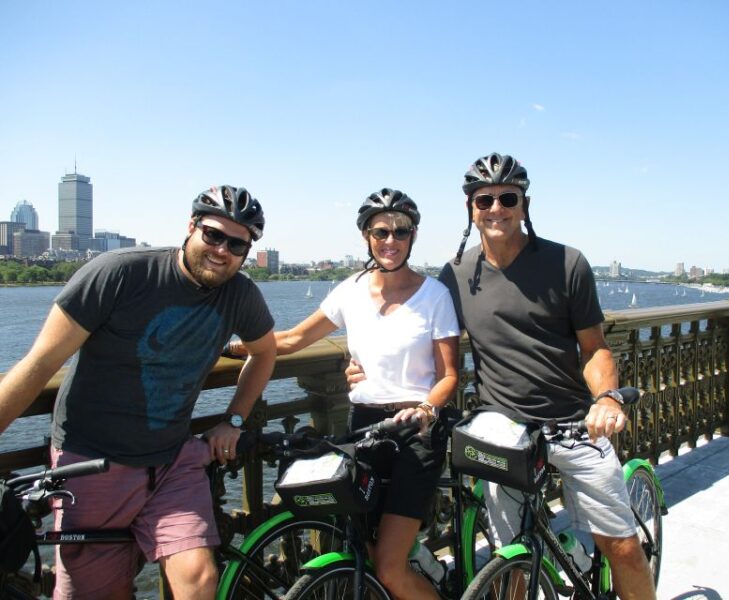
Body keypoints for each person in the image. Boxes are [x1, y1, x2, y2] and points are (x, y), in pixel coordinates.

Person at [350, 154, 657, 600]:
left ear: (524, 204)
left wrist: (607, 398)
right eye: (484, 199)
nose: (496, 208)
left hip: (574, 424)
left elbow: (595, 349)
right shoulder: (455, 276)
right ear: (470, 210)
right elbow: (417, 334)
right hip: (502, 431)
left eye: (507, 197)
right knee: (508, 557)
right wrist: (360, 362)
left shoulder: (567, 263)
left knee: (624, 548)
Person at [0, 185, 277, 600]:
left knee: (199, 579)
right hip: (90, 465)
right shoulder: (119, 273)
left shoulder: (240, 294)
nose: (222, 250)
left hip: (172, 461)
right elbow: (40, 364)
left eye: (237, 244)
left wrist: (233, 419)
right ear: (191, 227)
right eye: (213, 235)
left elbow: (265, 352)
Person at [228, 188, 459, 600]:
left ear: (414, 236)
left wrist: (426, 407)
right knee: (364, 547)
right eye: (380, 231)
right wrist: (232, 347)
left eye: (400, 231)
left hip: (415, 432)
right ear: (366, 236)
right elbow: (295, 338)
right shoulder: (351, 290)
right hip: (364, 429)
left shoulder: (434, 296)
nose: (391, 241)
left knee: (388, 566)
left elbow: (449, 375)